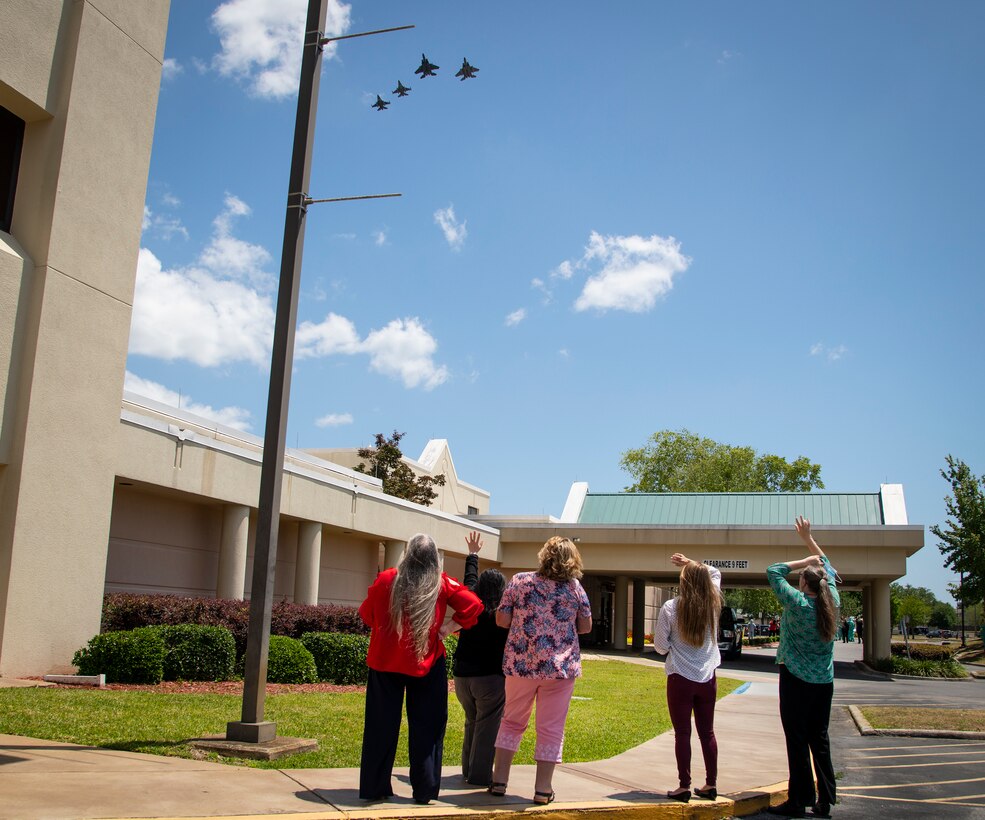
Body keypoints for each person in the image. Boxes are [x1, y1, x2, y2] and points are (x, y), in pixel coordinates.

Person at [358, 533, 483, 805]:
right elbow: (473, 605)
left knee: (380, 726)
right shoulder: (440, 583)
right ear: (434, 559)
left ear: (407, 553)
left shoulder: (387, 579)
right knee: (427, 728)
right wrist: (448, 628)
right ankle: (424, 790)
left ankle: (374, 787)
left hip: (384, 663)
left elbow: (367, 614)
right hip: (426, 663)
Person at [489, 536, 593, 805]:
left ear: (544, 555)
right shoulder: (575, 589)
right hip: (559, 670)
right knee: (551, 728)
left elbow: (501, 620)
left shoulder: (520, 581)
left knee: (511, 721)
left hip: (520, 665)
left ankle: (499, 781)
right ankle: (543, 790)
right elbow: (586, 627)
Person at [767, 516, 840, 819]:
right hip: (823, 681)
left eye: (800, 578)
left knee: (796, 739)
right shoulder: (831, 599)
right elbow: (827, 566)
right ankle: (824, 800)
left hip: (795, 679)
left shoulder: (797, 603)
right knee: (819, 738)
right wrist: (811, 541)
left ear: (803, 583)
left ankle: (799, 800)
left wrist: (804, 558)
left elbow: (774, 570)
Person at [653, 553, 723, 803]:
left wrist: (674, 644)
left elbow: (660, 647)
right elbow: (715, 573)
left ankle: (684, 786)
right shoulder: (713, 603)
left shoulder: (671, 607)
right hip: (707, 678)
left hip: (680, 678)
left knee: (682, 733)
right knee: (708, 733)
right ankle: (711, 784)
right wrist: (691, 562)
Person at [452, 531, 508, 786]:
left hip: (462, 678)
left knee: (471, 721)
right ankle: (478, 776)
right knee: (486, 728)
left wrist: (473, 555)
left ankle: (468, 770)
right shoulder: (502, 615)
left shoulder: (470, 604)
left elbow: (469, 580)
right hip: (490, 680)